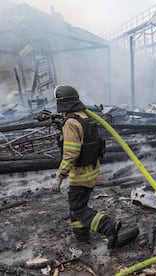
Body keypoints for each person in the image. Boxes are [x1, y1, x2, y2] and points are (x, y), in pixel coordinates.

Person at [51, 85, 122, 249]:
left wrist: (59, 176)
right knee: (75, 206)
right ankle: (82, 239)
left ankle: (108, 226)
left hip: (80, 175)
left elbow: (71, 153)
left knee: (78, 209)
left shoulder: (71, 123)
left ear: (61, 102)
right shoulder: (84, 117)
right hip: (92, 171)